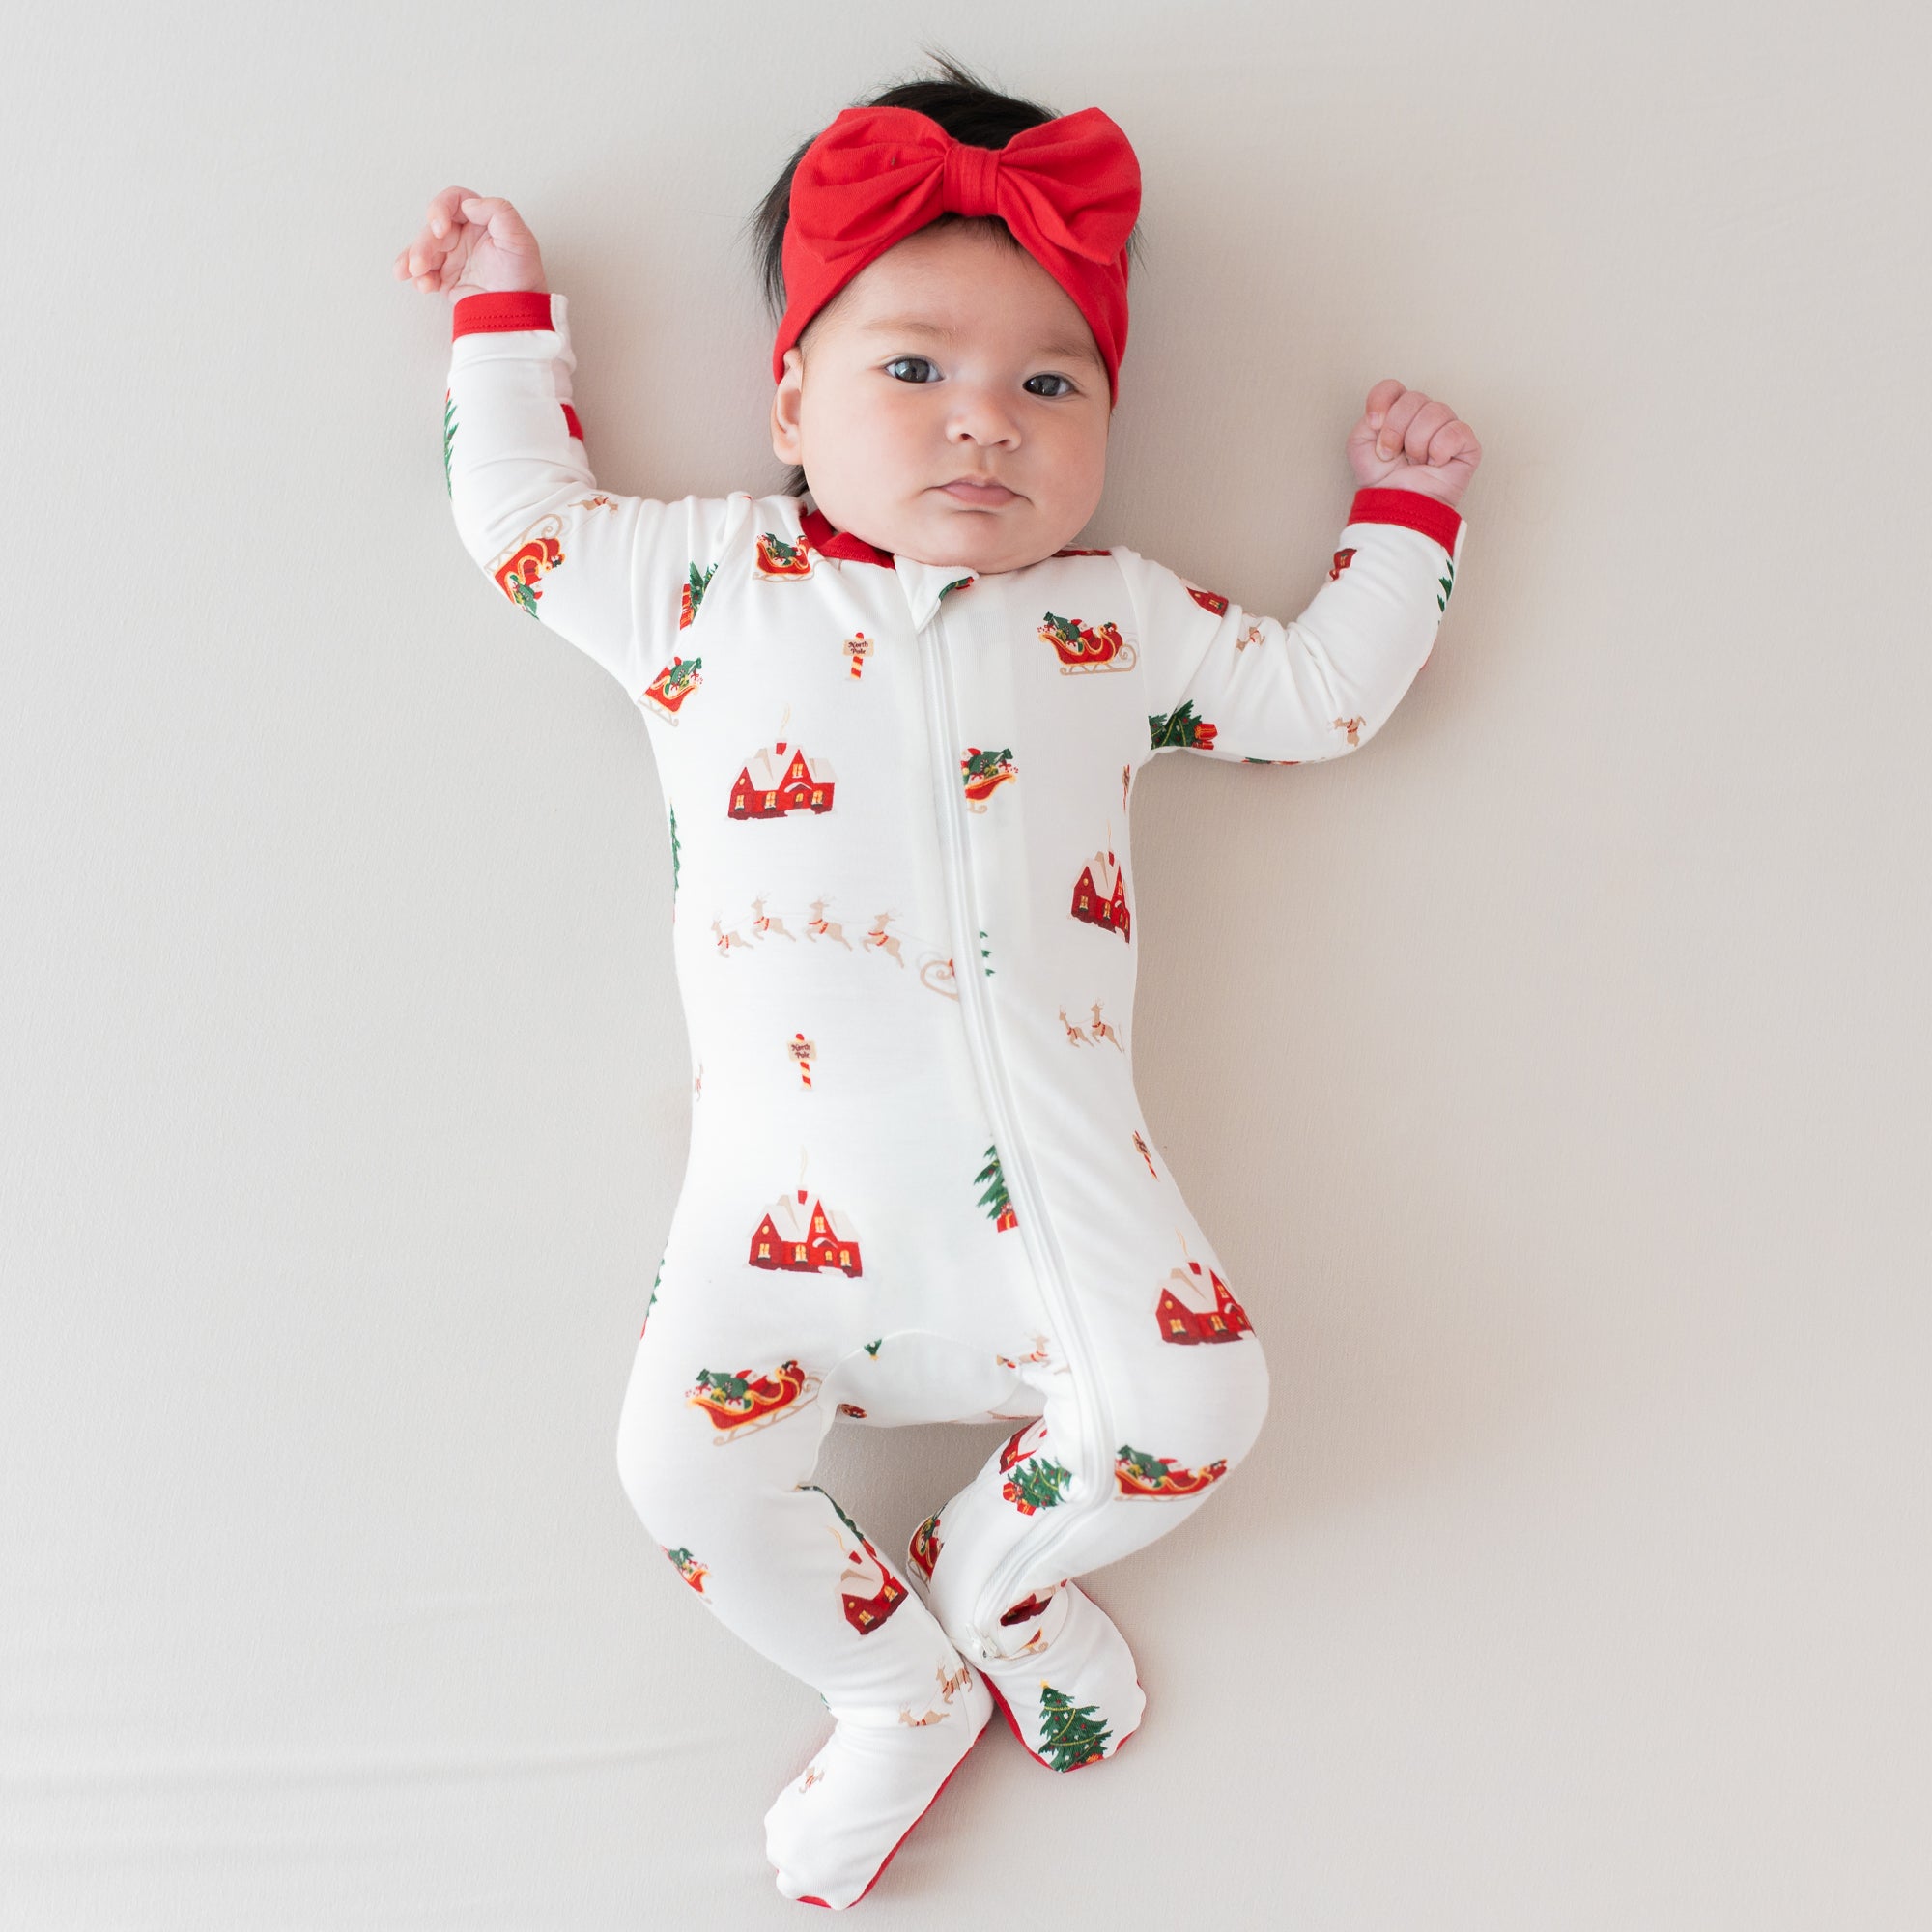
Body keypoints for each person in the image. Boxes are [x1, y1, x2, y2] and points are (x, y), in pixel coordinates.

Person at [394, 54, 1480, 1913]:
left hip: (1057, 1206)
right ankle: (891, 1689)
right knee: (683, 1480)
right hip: (772, 1218)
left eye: (1050, 385)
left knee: (1200, 1412)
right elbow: (521, 522)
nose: (987, 423)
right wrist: (508, 319)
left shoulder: (1112, 618)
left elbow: (1319, 698)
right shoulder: (702, 587)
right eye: (915, 370)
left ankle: (999, 1580)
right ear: (792, 400)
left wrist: (1405, 521)